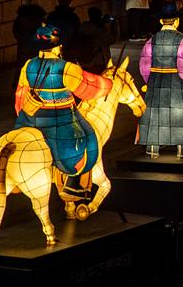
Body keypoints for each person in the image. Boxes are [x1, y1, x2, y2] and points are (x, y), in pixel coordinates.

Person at [13, 24, 112, 193]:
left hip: (29, 118)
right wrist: (107, 84)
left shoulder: (28, 65)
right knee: (89, 137)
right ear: (59, 46)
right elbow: (88, 88)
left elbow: (20, 95)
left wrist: (23, 113)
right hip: (60, 117)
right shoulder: (66, 68)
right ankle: (74, 180)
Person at [137, 2, 183, 158]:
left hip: (155, 81)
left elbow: (144, 64)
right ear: (177, 21)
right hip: (177, 82)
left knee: (155, 114)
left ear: (161, 21)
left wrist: (149, 80)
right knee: (180, 114)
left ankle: (152, 147)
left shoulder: (151, 41)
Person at [12, 0, 47, 65]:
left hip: (24, 47)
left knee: (22, 67)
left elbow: (15, 30)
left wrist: (21, 40)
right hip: (37, 47)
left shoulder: (21, 17)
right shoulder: (39, 17)